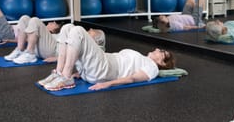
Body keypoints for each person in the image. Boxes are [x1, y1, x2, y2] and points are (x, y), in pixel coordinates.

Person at [38, 24, 175, 91]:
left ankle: (66, 77)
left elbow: (132, 79)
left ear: (162, 62)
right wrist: (80, 73)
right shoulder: (142, 58)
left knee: (78, 31)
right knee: (67, 27)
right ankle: (59, 73)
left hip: (106, 70)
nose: (157, 49)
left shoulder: (152, 68)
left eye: (161, 51)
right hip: (99, 65)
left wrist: (107, 84)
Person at [4, 18, 105, 64]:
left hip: (52, 50)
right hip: (44, 46)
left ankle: (30, 54)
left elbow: (82, 55)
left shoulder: (89, 45)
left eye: (92, 32)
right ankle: (19, 49)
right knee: (24, 18)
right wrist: (12, 40)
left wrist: (57, 58)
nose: (89, 30)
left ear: (96, 40)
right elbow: (30, 36)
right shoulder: (75, 33)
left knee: (35, 20)